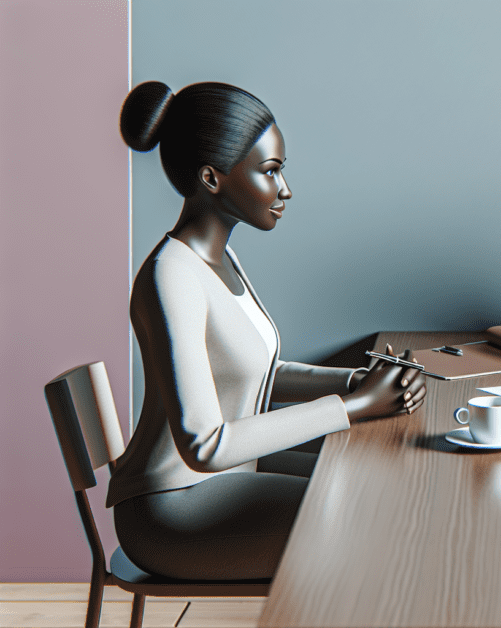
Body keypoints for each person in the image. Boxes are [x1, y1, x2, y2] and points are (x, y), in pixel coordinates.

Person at [107, 81, 428, 580]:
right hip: (171, 509)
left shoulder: (219, 260)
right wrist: (353, 407)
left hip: (227, 482)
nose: (285, 189)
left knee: (378, 482)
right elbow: (205, 445)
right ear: (212, 178)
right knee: (361, 515)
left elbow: (257, 373)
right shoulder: (170, 276)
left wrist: (356, 382)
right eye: (271, 171)